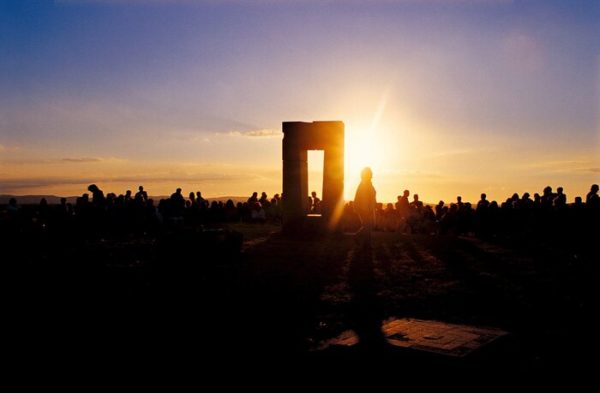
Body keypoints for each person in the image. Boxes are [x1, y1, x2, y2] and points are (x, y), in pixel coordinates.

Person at [354, 167, 377, 241]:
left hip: (368, 208)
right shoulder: (364, 184)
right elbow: (363, 198)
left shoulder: (368, 184)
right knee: (368, 226)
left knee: (368, 226)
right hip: (364, 209)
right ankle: (361, 240)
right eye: (370, 173)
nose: (371, 174)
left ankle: (361, 239)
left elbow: (372, 197)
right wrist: (367, 209)